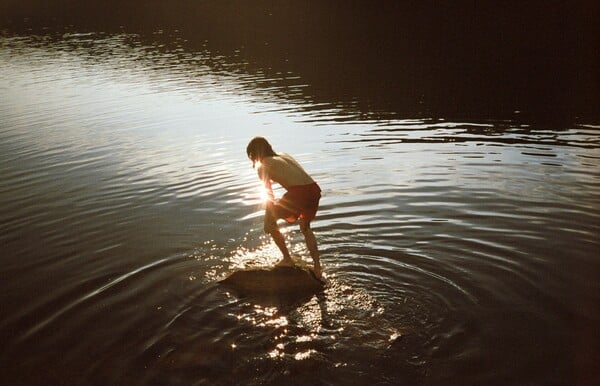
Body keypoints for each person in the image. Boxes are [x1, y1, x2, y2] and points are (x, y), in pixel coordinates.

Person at [246, 136, 323, 279]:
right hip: (314, 189)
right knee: (305, 228)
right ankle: (317, 268)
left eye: (251, 156)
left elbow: (268, 193)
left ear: (254, 154)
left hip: (299, 192)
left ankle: (288, 259)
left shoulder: (263, 165)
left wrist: (269, 218)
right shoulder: (284, 155)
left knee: (269, 225)